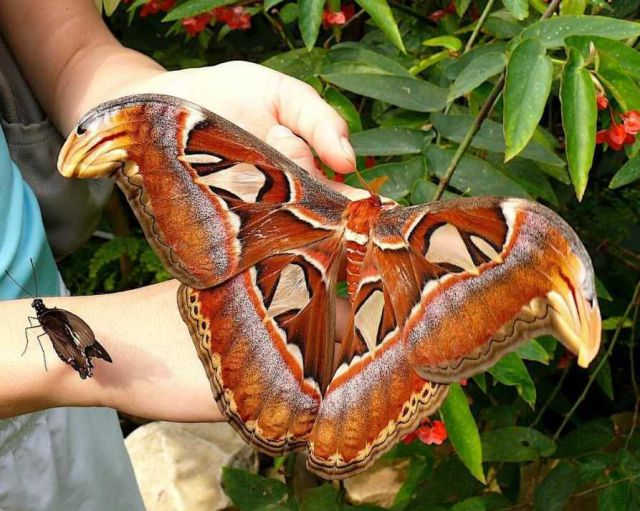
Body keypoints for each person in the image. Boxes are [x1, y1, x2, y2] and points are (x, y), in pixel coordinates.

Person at [0, 1, 357, 509]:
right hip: (80, 367)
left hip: (73, 401)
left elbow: (71, 44)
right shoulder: (83, 357)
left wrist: (151, 116)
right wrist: (105, 346)